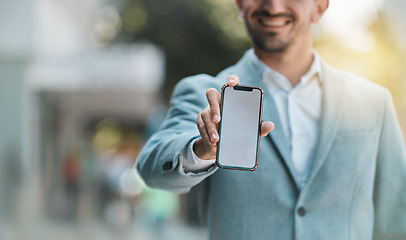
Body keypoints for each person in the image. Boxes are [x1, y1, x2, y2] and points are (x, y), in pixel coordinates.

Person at [136, 0, 406, 239]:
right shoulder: (206, 94)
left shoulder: (373, 103)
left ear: (320, 6)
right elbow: (153, 169)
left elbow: (396, 219)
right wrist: (202, 150)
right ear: (240, 4)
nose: (274, 6)